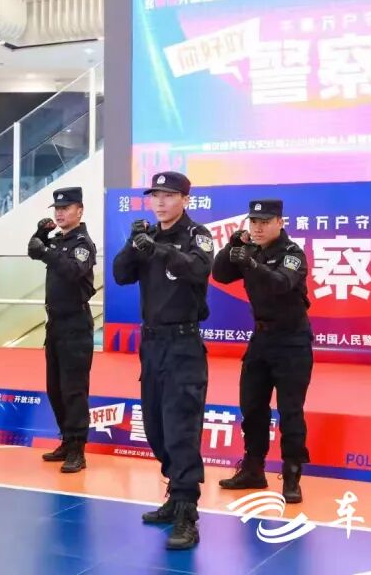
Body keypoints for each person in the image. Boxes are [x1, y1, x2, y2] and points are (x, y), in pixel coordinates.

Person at [112, 171, 213, 550]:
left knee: (180, 428)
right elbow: (120, 275)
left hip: (183, 344)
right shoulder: (148, 236)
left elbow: (199, 269)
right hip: (151, 344)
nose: (160, 202)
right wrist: (133, 245)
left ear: (185, 199)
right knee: (155, 427)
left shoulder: (197, 235)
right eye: (155, 195)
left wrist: (158, 250)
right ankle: (175, 494)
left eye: (169, 195)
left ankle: (187, 509)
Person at [212, 199, 312, 504]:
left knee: (290, 411)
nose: (257, 227)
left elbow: (281, 283)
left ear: (280, 222)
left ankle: (292, 475)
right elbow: (220, 274)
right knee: (252, 406)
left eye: (265, 222)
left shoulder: (292, 254)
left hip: (292, 342)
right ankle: (253, 469)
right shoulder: (251, 249)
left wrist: (252, 265)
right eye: (253, 222)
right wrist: (231, 247)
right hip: (261, 339)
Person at [27, 186, 96, 474]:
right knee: (54, 388)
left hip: (75, 324)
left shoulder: (83, 243)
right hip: (54, 324)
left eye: (66, 208)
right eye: (57, 208)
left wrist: (46, 252)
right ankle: (66, 440)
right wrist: (40, 237)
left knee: (73, 389)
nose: (60, 213)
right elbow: (34, 251)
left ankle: (78, 449)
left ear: (79, 210)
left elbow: (72, 271)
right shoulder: (58, 240)